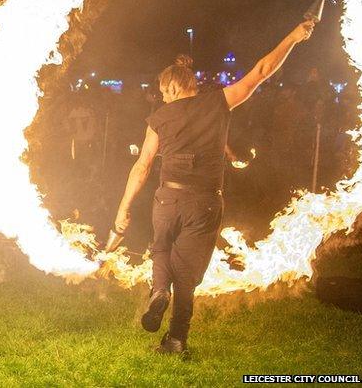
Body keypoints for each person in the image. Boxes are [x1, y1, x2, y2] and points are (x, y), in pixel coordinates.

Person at [107, 18, 315, 356]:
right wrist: (293, 36)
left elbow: (143, 165)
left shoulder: (159, 118)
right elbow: (262, 70)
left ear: (172, 89)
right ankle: (176, 340)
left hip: (167, 199)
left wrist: (123, 208)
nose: (162, 98)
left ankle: (159, 291)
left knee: (160, 249)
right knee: (186, 274)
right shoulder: (218, 102)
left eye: (162, 93)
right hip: (204, 203)